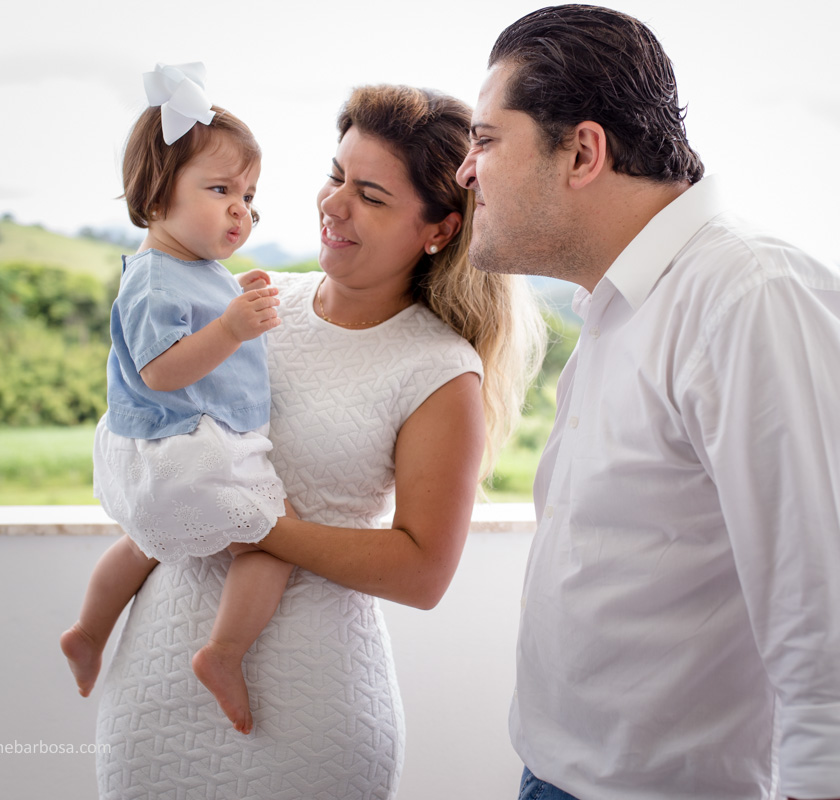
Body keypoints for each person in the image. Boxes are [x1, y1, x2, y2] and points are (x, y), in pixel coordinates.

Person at [456, 6, 840, 800]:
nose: (464, 172)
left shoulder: (757, 298)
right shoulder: (623, 308)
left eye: (484, 140)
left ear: (582, 151)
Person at [93, 84, 546, 798]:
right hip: (155, 682)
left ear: (439, 229)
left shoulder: (438, 370)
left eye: (371, 195)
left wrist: (260, 525)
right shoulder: (252, 303)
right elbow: (152, 423)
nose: (334, 204)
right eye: (336, 175)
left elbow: (422, 573)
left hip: (308, 704)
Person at [60, 62, 290, 737]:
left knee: (145, 543)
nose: (240, 209)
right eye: (221, 189)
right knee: (270, 546)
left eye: (249, 195)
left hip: (170, 453)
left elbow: (196, 333)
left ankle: (88, 632)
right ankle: (224, 653)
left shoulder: (190, 268)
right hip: (190, 448)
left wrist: (233, 301)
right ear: (156, 197)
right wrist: (232, 327)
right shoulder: (154, 280)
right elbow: (162, 370)